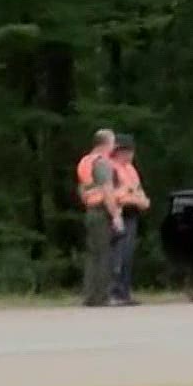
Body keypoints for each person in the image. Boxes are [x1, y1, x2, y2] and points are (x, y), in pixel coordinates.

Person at [75, 128, 122, 306]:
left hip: (90, 210)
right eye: (112, 142)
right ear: (106, 144)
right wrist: (116, 215)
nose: (114, 146)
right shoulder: (102, 163)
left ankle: (90, 295)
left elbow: (81, 189)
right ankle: (102, 297)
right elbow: (107, 190)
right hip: (102, 212)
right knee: (104, 255)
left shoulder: (85, 161)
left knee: (92, 255)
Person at [108, 136, 148, 306]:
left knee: (128, 254)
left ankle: (125, 291)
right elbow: (114, 195)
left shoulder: (130, 169)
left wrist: (143, 200)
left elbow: (137, 189)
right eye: (128, 151)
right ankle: (113, 291)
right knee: (118, 254)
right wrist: (133, 199)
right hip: (119, 212)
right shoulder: (111, 168)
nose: (131, 155)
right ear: (120, 151)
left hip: (133, 213)